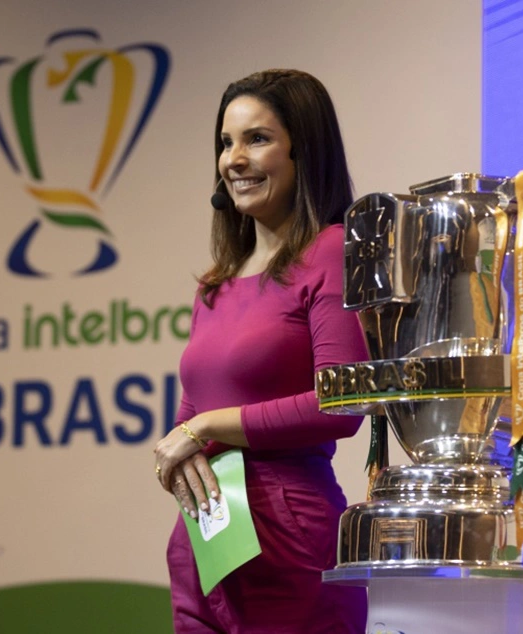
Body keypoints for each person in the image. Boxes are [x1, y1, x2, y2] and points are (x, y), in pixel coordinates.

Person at [153, 69, 369, 633]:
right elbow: (191, 412)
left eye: (257, 138)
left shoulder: (330, 251)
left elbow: (340, 404)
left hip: (287, 533)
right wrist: (178, 452)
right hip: (205, 534)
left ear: (304, 149)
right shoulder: (215, 285)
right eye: (226, 143)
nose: (234, 159)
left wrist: (205, 429)